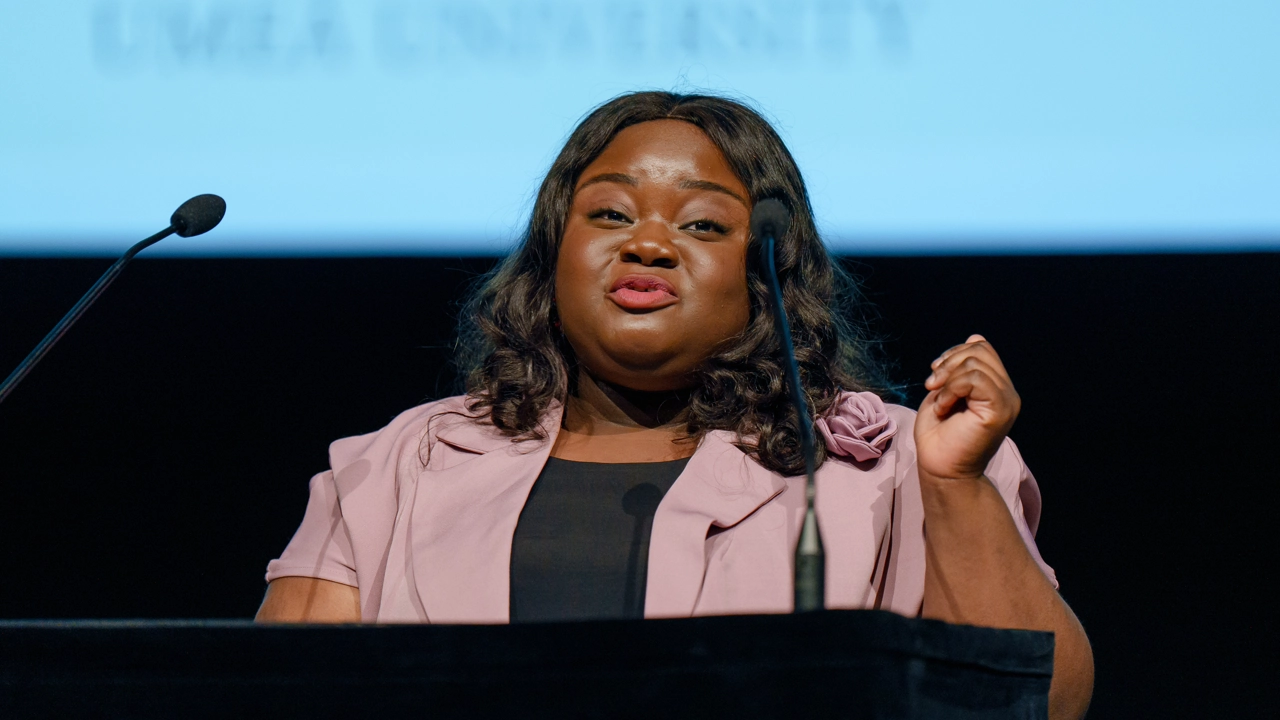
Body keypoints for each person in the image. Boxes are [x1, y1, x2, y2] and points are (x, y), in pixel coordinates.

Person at [256, 91, 1093, 717]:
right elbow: (276, 699)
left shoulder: (905, 461)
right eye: (610, 213)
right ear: (554, 254)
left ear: (766, 275)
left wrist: (955, 492)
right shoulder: (400, 464)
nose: (648, 242)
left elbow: (1040, 704)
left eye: (701, 226)